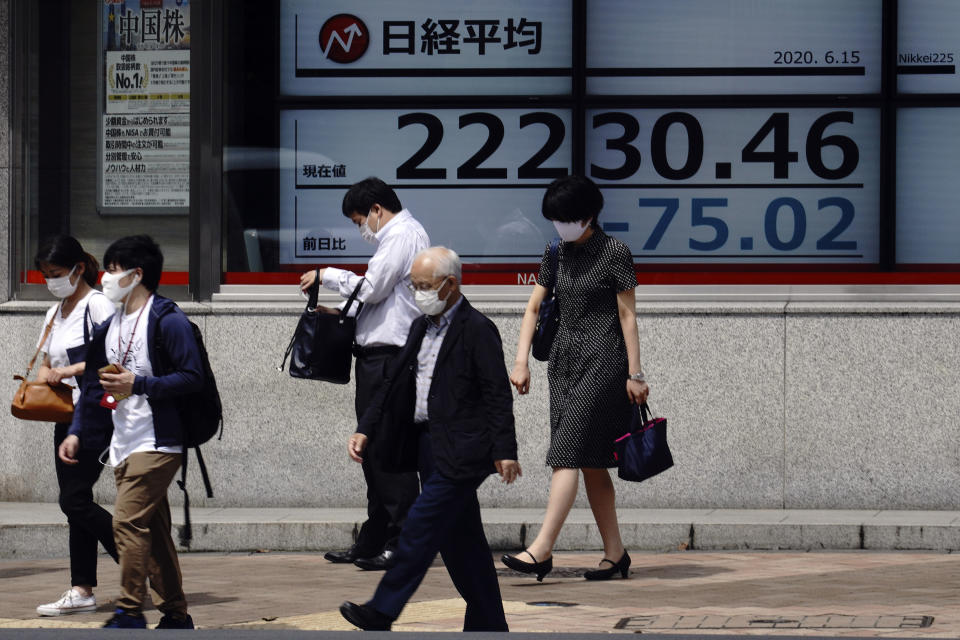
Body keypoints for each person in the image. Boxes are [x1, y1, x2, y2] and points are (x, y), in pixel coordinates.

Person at [339, 247, 521, 632]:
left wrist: (505, 450)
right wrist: (366, 427)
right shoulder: (422, 326)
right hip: (426, 446)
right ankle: (489, 625)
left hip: (463, 450)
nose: (417, 293)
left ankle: (382, 610)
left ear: (450, 285)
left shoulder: (476, 329)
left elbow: (496, 394)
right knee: (463, 544)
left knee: (419, 524)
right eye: (414, 285)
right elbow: (392, 383)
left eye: (424, 286)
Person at [502, 175, 650, 581]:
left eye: (566, 218)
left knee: (566, 451)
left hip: (605, 362)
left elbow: (627, 315)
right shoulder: (555, 253)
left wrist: (635, 374)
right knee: (591, 464)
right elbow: (534, 307)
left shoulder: (616, 252)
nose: (560, 226)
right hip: (564, 364)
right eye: (554, 219)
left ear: (589, 216)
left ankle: (542, 549)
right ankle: (616, 553)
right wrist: (521, 362)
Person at [58, 235, 202, 630]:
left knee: (125, 523)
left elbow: (192, 377)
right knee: (152, 532)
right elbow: (92, 389)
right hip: (124, 441)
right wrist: (76, 432)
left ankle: (129, 611)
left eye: (115, 269)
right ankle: (175, 614)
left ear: (137, 275)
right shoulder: (110, 327)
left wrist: (137, 385)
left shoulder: (167, 321)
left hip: (159, 440)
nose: (107, 277)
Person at [300, 177, 426, 571]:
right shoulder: (399, 235)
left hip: (392, 357)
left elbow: (371, 289)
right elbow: (374, 301)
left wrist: (328, 275)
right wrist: (338, 313)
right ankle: (374, 538)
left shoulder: (402, 234)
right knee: (372, 451)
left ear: (376, 209)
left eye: (359, 220)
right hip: (376, 356)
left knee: (390, 449)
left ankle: (402, 541)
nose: (361, 229)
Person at [31, 236, 118, 617]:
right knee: (75, 503)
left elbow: (113, 356)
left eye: (57, 273)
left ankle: (139, 558)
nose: (52, 281)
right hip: (64, 415)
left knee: (73, 499)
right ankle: (82, 589)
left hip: (95, 414)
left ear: (78, 268)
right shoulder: (55, 312)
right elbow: (46, 360)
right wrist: (48, 372)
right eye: (46, 275)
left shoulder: (96, 305)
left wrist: (67, 370)